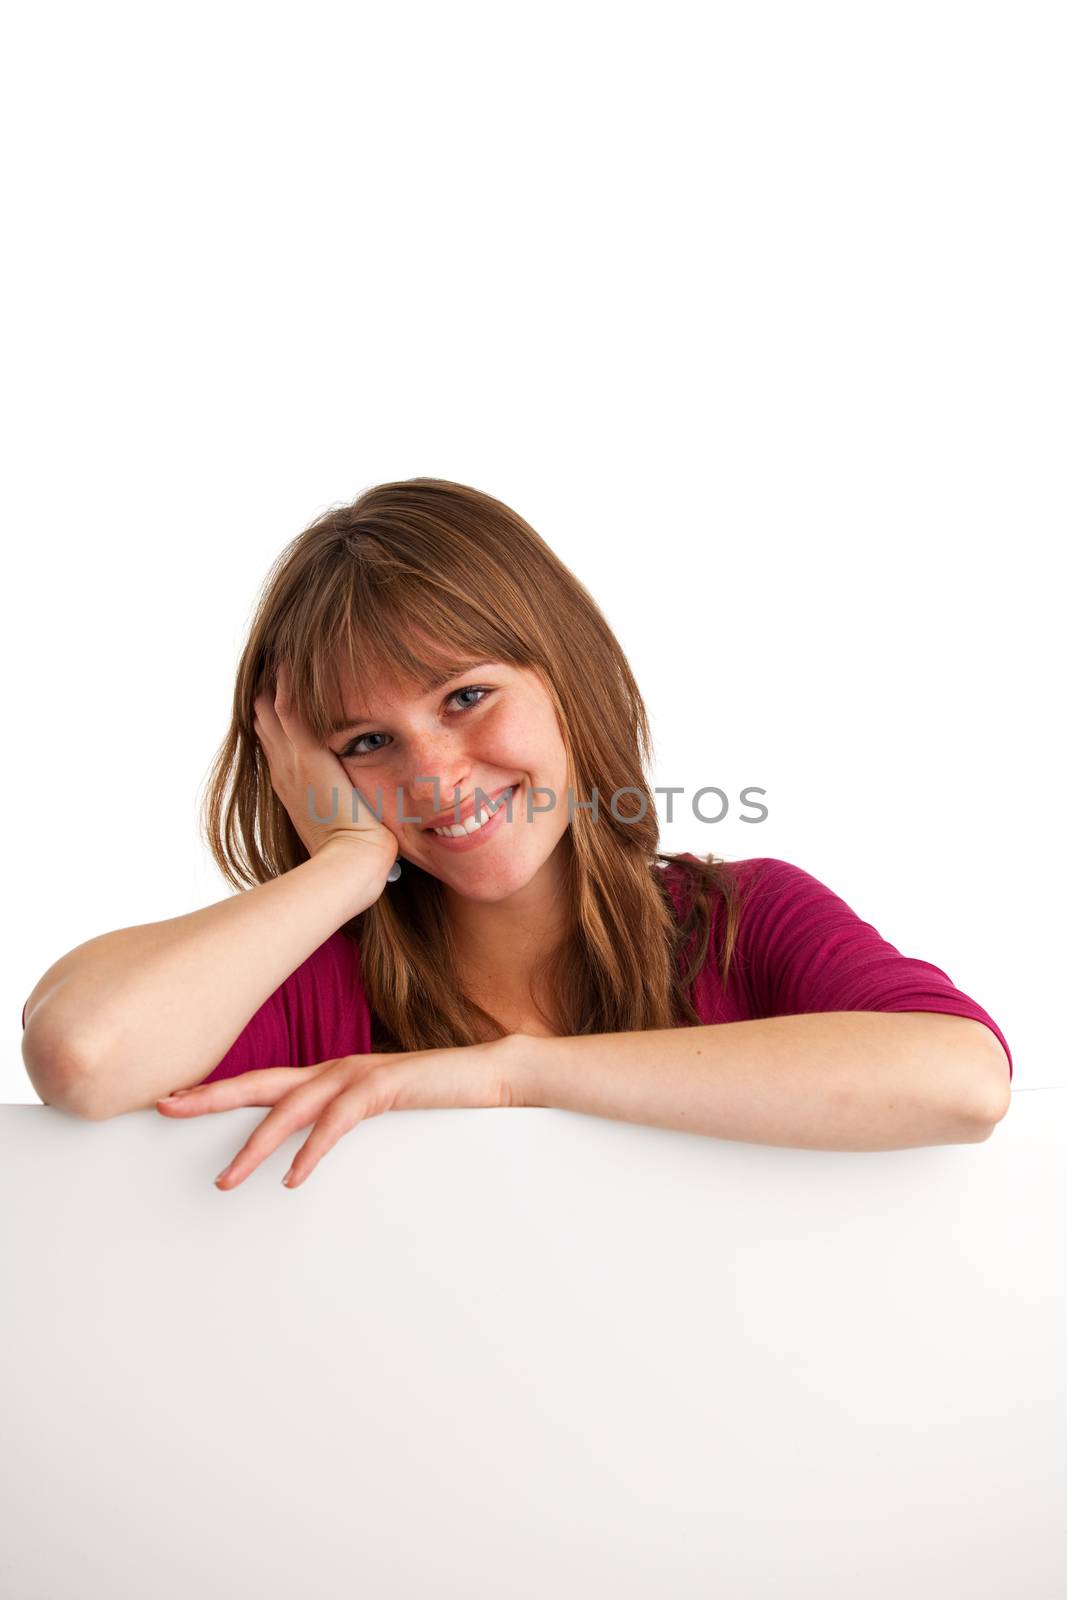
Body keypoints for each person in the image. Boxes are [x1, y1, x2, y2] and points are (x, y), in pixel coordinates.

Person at [21, 478, 1013, 1185]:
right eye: (366, 740)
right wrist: (348, 857)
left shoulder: (738, 920)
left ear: (565, 680)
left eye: (465, 696)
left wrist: (514, 1073)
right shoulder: (318, 981)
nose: (434, 774)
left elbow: (960, 1079)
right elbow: (84, 1052)